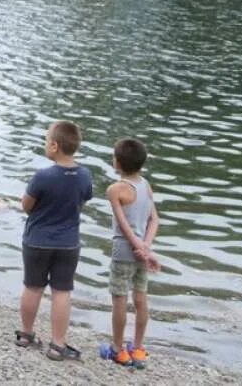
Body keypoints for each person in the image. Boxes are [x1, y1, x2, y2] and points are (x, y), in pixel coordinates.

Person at [15, 121, 93, 361]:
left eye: (46, 140)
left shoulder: (42, 176)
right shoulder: (84, 175)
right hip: (68, 242)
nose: (45, 144)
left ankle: (26, 334)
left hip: (37, 240)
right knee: (62, 291)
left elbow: (26, 205)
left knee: (33, 286)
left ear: (54, 145)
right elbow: (82, 201)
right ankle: (58, 345)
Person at [106, 138, 160, 367]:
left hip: (124, 252)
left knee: (119, 299)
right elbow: (154, 219)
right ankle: (138, 348)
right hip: (142, 254)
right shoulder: (145, 185)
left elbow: (123, 225)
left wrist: (137, 246)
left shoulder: (115, 189)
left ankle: (118, 349)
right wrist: (146, 247)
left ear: (117, 162)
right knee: (140, 299)